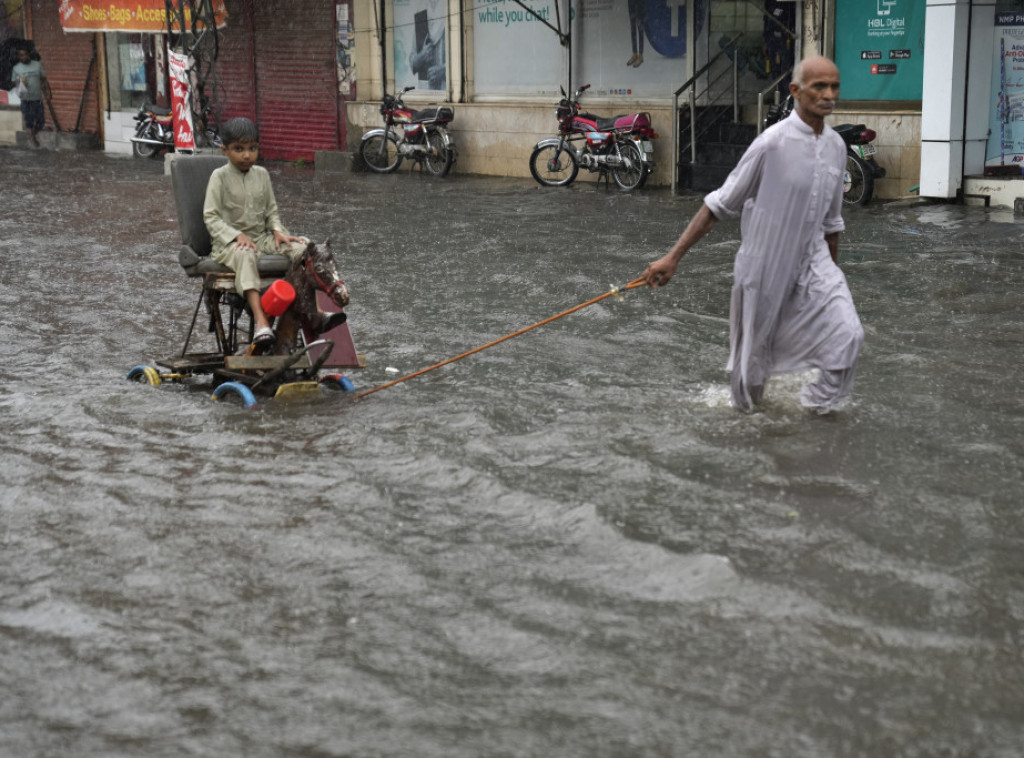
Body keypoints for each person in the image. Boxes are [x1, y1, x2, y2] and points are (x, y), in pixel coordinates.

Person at [644, 55, 864, 413]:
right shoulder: (771, 143)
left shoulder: (837, 147)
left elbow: (832, 223)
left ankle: (817, 415)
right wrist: (673, 257)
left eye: (834, 87)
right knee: (752, 365)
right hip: (764, 264)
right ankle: (748, 426)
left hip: (814, 260)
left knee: (847, 334)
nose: (828, 95)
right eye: (819, 86)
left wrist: (832, 281)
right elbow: (718, 205)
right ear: (796, 91)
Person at [203, 117, 345, 347]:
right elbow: (210, 217)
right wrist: (236, 235)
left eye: (252, 149)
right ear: (225, 150)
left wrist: (278, 231)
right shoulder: (218, 177)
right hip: (229, 246)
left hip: (262, 239)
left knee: (305, 248)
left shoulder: (262, 174)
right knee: (245, 254)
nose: (247, 155)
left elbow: (271, 212)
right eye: (239, 149)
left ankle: (316, 313)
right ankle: (261, 322)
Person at [12, 43, 48, 147]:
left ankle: (32, 135)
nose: (24, 57)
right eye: (21, 55)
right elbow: (15, 84)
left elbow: (43, 79)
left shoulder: (37, 65)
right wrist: (21, 83)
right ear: (18, 56)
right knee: (29, 121)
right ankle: (32, 138)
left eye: (26, 54)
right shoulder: (16, 68)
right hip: (25, 99)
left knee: (41, 122)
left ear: (29, 54)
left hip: (37, 98)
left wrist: (47, 93)